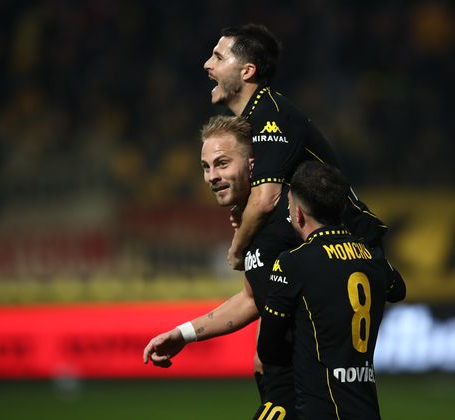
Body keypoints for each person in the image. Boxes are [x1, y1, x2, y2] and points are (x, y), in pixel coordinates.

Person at [143, 115, 301, 419]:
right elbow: (251, 299)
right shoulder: (252, 224)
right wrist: (183, 334)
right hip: (278, 384)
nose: (211, 176)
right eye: (206, 167)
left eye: (222, 164)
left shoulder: (291, 214)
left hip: (307, 386)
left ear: (253, 165)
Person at [203, 23, 388, 271]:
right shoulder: (252, 116)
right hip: (317, 240)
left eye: (218, 57)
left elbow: (265, 199)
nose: (207, 64)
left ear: (247, 71)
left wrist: (237, 250)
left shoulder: (270, 115)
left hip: (349, 240)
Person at [257, 161, 406, 419]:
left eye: (290, 205)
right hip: (367, 410)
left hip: (321, 410)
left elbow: (268, 348)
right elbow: (398, 290)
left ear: (299, 214)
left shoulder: (294, 262)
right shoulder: (372, 258)